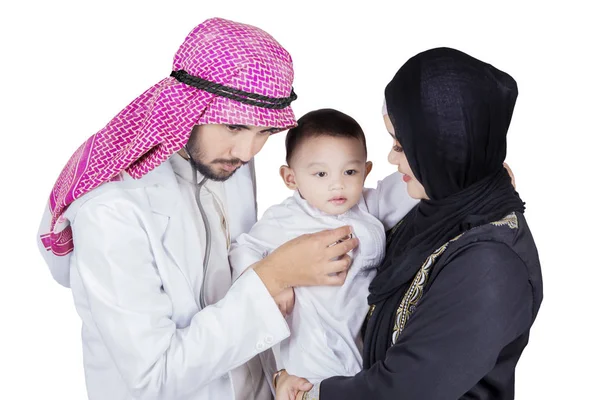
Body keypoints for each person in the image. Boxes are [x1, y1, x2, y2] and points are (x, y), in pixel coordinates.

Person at [36, 17, 357, 400]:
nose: (248, 152)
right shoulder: (111, 211)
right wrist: (271, 276)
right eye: (235, 127)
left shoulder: (227, 160)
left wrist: (280, 373)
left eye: (265, 132)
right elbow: (154, 378)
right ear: (188, 106)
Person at [275, 47, 543, 400]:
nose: (389, 158)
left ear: (443, 151)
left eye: (402, 146)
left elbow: (404, 389)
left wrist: (306, 395)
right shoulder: (437, 208)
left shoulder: (490, 263)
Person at [229, 108, 418, 383]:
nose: (337, 185)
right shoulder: (284, 220)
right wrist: (268, 282)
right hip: (311, 350)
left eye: (350, 171)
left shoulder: (366, 206)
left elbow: (407, 188)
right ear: (290, 178)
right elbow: (244, 249)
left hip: (362, 345)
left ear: (365, 172)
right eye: (320, 174)